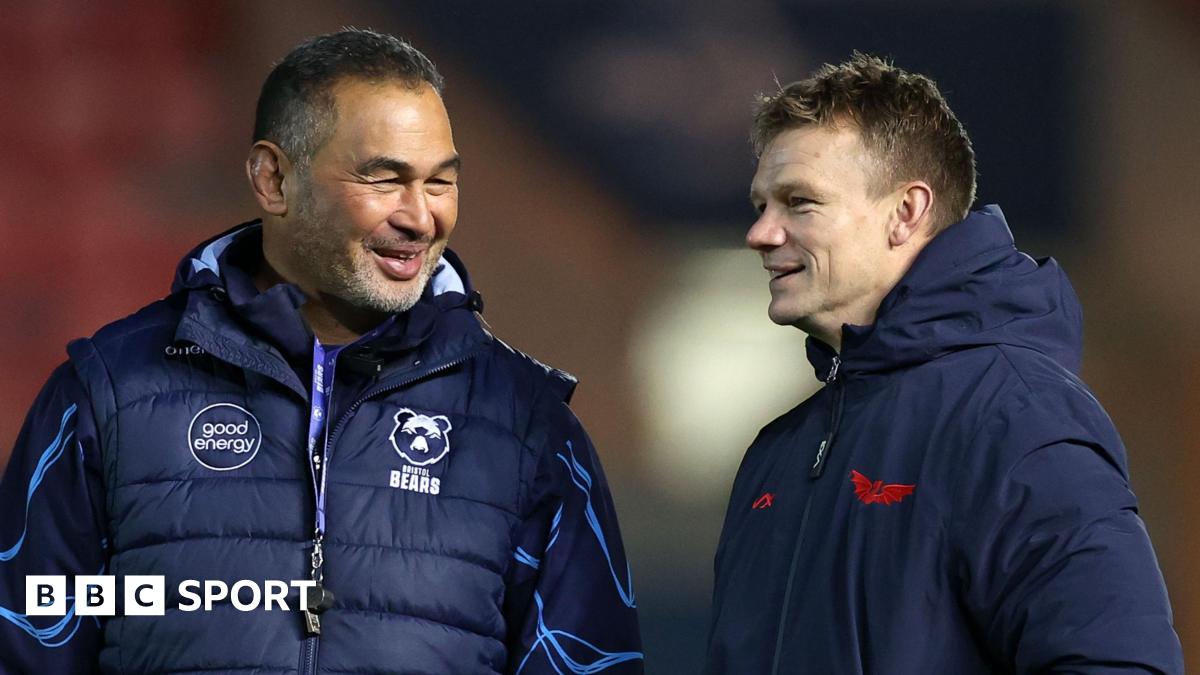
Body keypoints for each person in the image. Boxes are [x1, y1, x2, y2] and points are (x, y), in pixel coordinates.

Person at [0, 29, 642, 674]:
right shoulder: (107, 392)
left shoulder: (529, 423)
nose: (421, 217)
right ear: (273, 178)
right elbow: (27, 642)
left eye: (440, 183)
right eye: (384, 179)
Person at [705, 53, 1183, 674]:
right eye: (761, 205)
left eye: (799, 203)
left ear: (906, 213)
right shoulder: (777, 454)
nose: (761, 233)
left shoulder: (1015, 415)